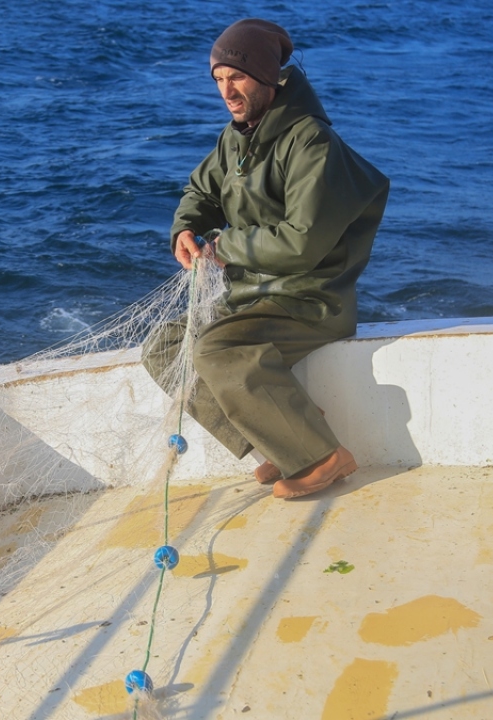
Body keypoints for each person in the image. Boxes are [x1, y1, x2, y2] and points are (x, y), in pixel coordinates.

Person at [142, 18, 389, 500]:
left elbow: (302, 244)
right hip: (254, 295)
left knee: (215, 349)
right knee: (165, 348)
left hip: (309, 300)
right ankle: (280, 434)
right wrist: (185, 230)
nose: (226, 90)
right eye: (218, 78)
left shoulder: (311, 142)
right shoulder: (235, 138)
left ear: (268, 76)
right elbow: (200, 190)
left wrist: (225, 248)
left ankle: (322, 456)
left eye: (236, 76)